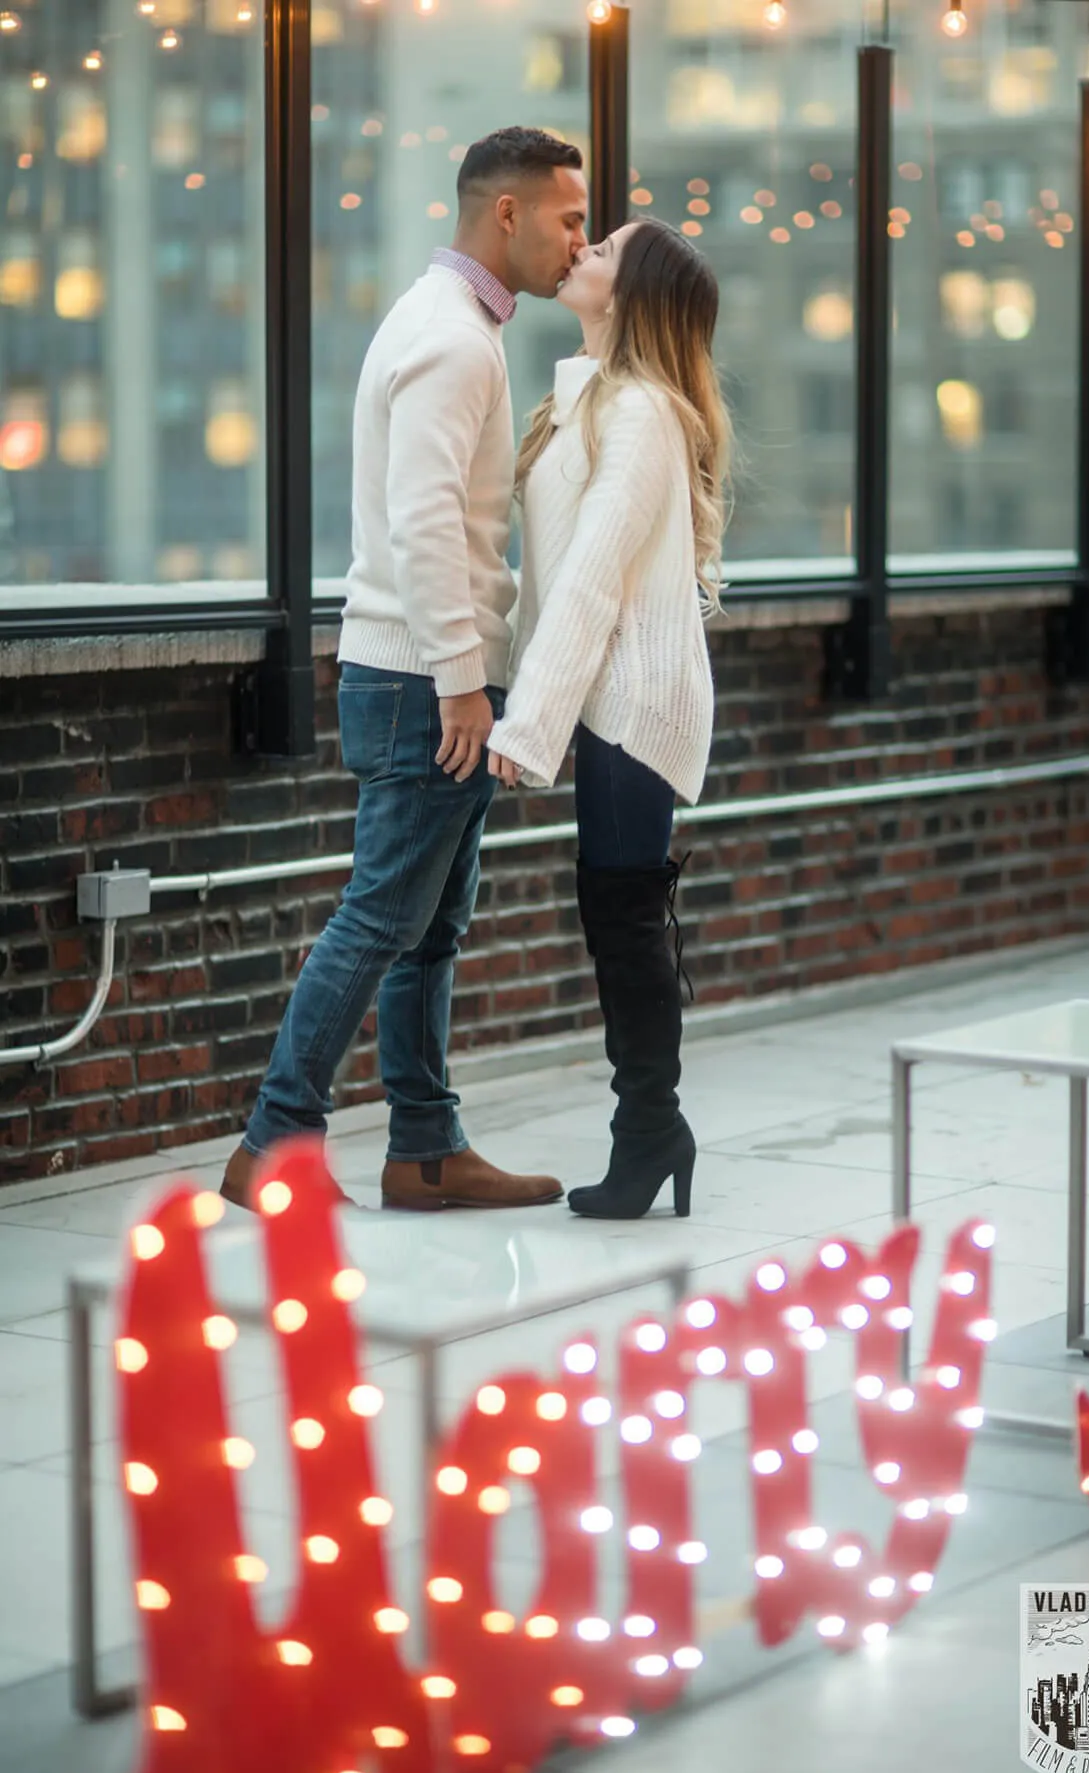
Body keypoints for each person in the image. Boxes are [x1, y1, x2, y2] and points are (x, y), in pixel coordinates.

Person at [221, 127, 589, 1213]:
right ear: (508, 213)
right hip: (426, 683)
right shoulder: (451, 338)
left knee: (430, 927)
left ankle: (425, 1149)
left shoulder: (454, 322)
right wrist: (462, 680)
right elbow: (423, 523)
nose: (581, 240)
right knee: (381, 919)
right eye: (569, 217)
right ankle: (273, 1146)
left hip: (425, 675)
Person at [486, 218, 731, 1221]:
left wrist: (525, 725)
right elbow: (552, 581)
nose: (582, 250)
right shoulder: (587, 400)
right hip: (604, 691)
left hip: (636, 695)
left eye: (605, 252)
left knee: (623, 916)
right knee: (618, 912)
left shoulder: (640, 414)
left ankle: (650, 1132)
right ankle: (653, 1131)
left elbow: (590, 580)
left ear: (631, 296)